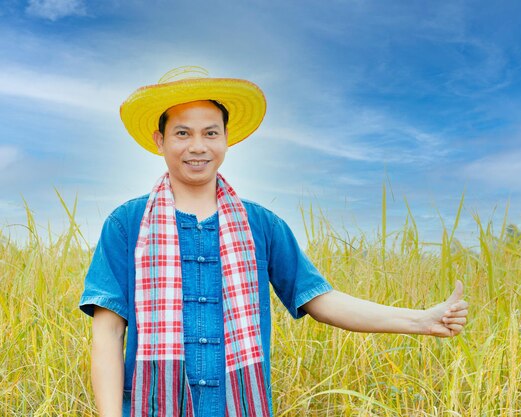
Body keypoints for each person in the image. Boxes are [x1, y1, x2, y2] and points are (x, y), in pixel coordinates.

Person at [78, 66, 469, 417]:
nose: (197, 146)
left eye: (210, 133)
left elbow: (320, 300)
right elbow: (109, 333)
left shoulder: (261, 225)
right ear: (160, 140)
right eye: (183, 133)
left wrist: (419, 319)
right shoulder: (127, 224)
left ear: (226, 139)